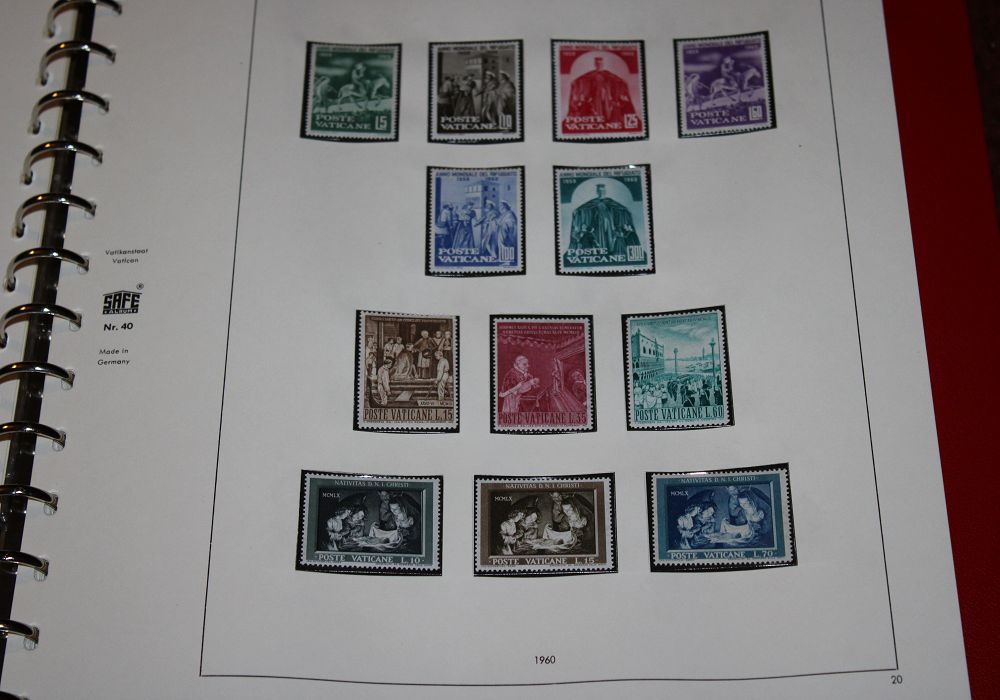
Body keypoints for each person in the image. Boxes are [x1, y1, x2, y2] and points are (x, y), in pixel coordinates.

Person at [566, 183, 640, 258]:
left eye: (603, 191)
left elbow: (619, 206)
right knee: (599, 237)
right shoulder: (594, 202)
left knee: (610, 236)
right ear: (597, 192)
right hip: (599, 223)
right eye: (600, 191)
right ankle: (601, 251)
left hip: (610, 223)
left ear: (605, 191)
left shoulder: (609, 201)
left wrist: (625, 210)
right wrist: (577, 210)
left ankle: (610, 251)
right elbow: (584, 207)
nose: (602, 192)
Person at [566, 56, 638, 124]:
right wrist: (575, 82)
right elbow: (582, 79)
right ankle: (599, 121)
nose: (599, 65)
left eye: (600, 63)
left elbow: (616, 79)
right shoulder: (591, 74)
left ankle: (607, 121)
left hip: (606, 96)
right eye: (597, 63)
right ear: (595, 64)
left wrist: (623, 82)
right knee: (596, 110)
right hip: (596, 96)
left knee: (607, 110)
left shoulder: (607, 73)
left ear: (603, 64)